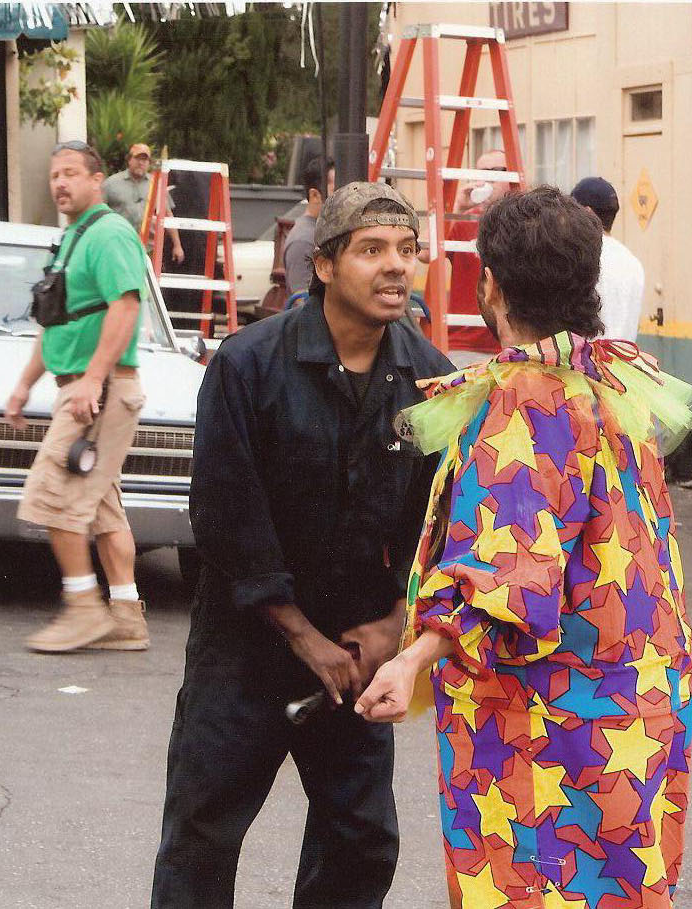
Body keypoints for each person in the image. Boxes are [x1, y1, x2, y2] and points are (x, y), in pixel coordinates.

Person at [357, 187, 692, 908]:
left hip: (545, 723)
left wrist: (411, 656)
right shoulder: (614, 380)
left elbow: (509, 576)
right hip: (638, 701)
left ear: (492, 285)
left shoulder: (526, 401)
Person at [151, 182, 454, 908]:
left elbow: (437, 521)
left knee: (360, 837)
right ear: (322, 266)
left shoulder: (433, 379)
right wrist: (298, 633)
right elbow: (224, 513)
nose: (394, 267)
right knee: (203, 833)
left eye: (406, 251)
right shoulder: (247, 363)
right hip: (248, 640)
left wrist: (391, 624)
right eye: (371, 249)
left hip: (357, 649)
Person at [5, 140, 152, 654]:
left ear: (98, 180)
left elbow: (126, 308)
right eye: (54, 175)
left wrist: (92, 380)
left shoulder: (109, 234)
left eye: (71, 173)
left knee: (53, 498)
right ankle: (127, 617)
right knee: (102, 509)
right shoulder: (72, 238)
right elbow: (55, 324)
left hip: (100, 392)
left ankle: (84, 607)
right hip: (86, 388)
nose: (60, 183)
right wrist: (25, 385)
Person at [427, 148, 513, 360]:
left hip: (509, 343)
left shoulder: (524, 223)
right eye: (481, 172)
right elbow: (425, 252)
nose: (487, 178)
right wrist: (457, 207)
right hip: (463, 343)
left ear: (510, 177)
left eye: (496, 171)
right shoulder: (463, 220)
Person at [573, 176, 645, 341]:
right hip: (625, 363)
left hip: (589, 363)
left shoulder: (582, 257)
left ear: (587, 213)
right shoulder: (633, 263)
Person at [103, 142, 184, 264]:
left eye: (145, 160)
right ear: (129, 160)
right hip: (118, 247)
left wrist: (177, 245)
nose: (141, 163)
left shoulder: (157, 185)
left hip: (149, 250)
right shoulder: (110, 184)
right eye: (137, 158)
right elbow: (98, 213)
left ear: (149, 163)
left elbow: (168, 215)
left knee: (146, 282)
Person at [282, 156, 335, 301]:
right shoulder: (303, 241)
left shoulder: (323, 232)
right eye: (336, 190)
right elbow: (301, 303)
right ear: (315, 195)